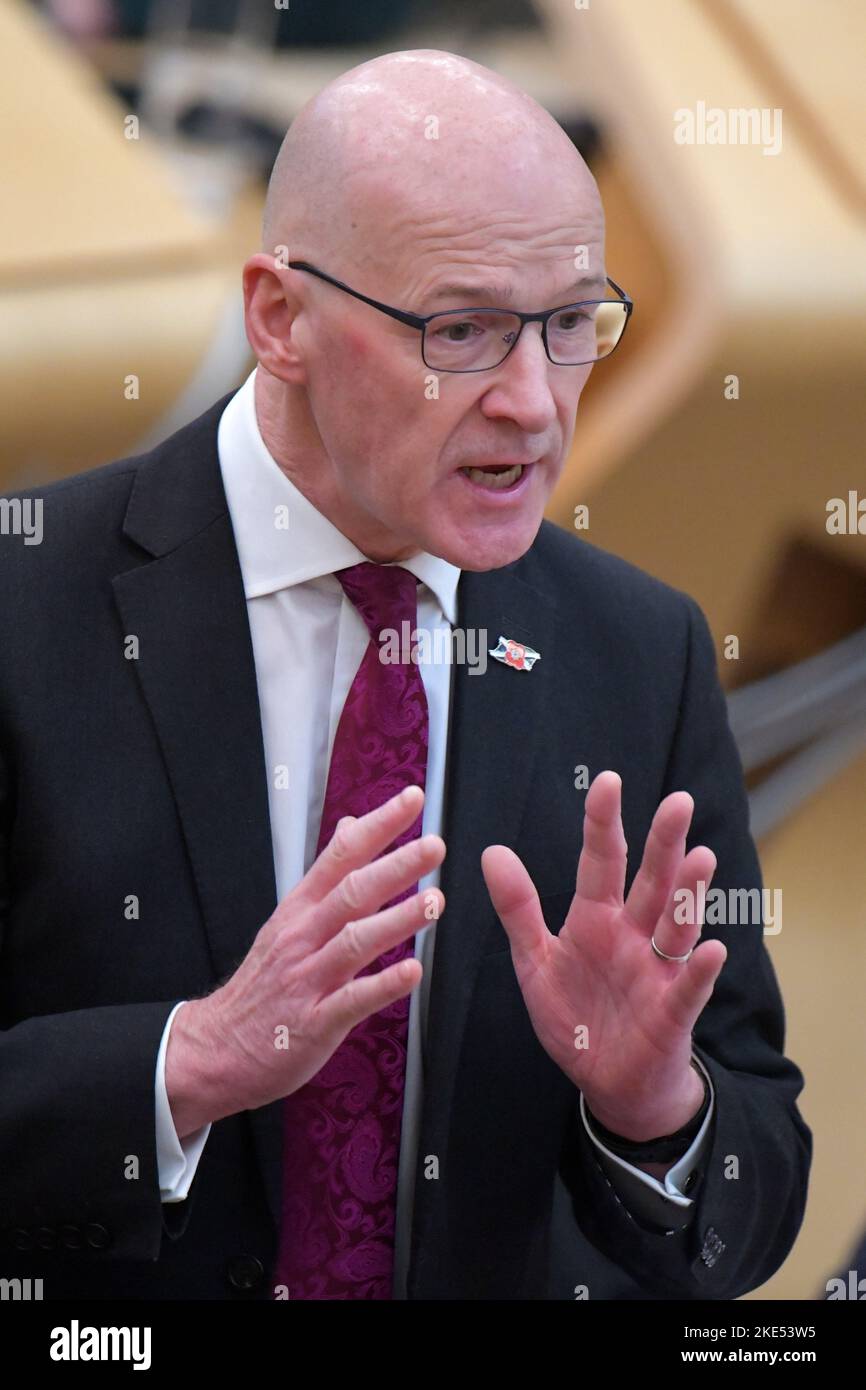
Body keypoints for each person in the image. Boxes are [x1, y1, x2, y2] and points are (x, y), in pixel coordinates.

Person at [0, 49, 810, 1300]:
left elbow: (750, 1197)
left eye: (570, 323)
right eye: (464, 330)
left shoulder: (638, 653)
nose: (534, 405)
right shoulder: (25, 609)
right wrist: (187, 1062)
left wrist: (654, 1110)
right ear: (280, 320)